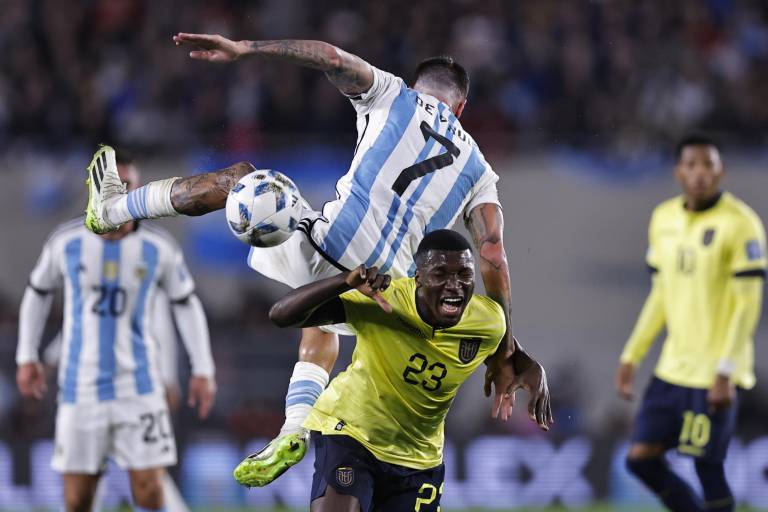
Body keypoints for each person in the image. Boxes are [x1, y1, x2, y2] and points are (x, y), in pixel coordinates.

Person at [84, 33, 553, 485]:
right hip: (385, 294)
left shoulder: (393, 94)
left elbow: (329, 56)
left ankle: (112, 209)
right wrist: (506, 349)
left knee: (243, 181)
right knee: (328, 318)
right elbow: (492, 253)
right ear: (462, 108)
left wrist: (248, 49)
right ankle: (294, 429)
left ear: (416, 86)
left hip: (326, 249)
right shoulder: (479, 170)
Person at [243, 229, 524, 510]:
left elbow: (506, 349)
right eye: (440, 275)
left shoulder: (488, 321)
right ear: (418, 279)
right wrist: (344, 281)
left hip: (419, 459)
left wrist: (531, 368)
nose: (454, 285)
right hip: (351, 434)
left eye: (464, 274)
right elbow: (281, 315)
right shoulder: (383, 300)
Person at [17, 149, 217, 512]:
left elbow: (185, 305)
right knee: (78, 499)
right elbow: (37, 292)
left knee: (149, 492)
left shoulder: (159, 247)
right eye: (113, 184)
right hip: (80, 390)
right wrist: (26, 356)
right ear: (94, 189)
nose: (119, 192)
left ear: (139, 190)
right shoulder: (66, 241)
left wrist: (202, 369)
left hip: (139, 389)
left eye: (127, 185)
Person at [615, 135, 766, 512]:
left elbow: (748, 306)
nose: (700, 173)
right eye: (692, 165)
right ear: (679, 172)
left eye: (708, 165)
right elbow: (660, 295)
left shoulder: (741, 224)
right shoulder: (663, 218)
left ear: (721, 171)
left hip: (714, 372)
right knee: (640, 459)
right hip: (672, 370)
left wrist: (725, 371)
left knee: (707, 465)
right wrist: (632, 355)